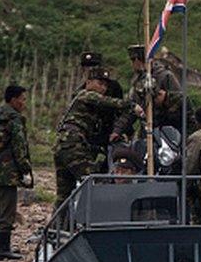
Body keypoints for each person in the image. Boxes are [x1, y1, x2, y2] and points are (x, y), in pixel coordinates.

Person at [54, 68, 139, 208]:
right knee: (94, 180)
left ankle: (58, 227)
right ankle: (99, 218)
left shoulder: (88, 102)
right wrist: (132, 105)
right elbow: (108, 102)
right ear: (88, 82)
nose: (103, 88)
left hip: (64, 143)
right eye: (100, 83)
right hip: (72, 142)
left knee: (65, 193)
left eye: (105, 85)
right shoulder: (86, 95)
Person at [0, 85, 32, 261]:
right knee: (7, 210)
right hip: (7, 171)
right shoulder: (14, 119)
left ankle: (0, 246)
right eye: (22, 99)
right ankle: (3, 249)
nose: (24, 103)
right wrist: (25, 169)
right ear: (13, 99)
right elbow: (19, 146)